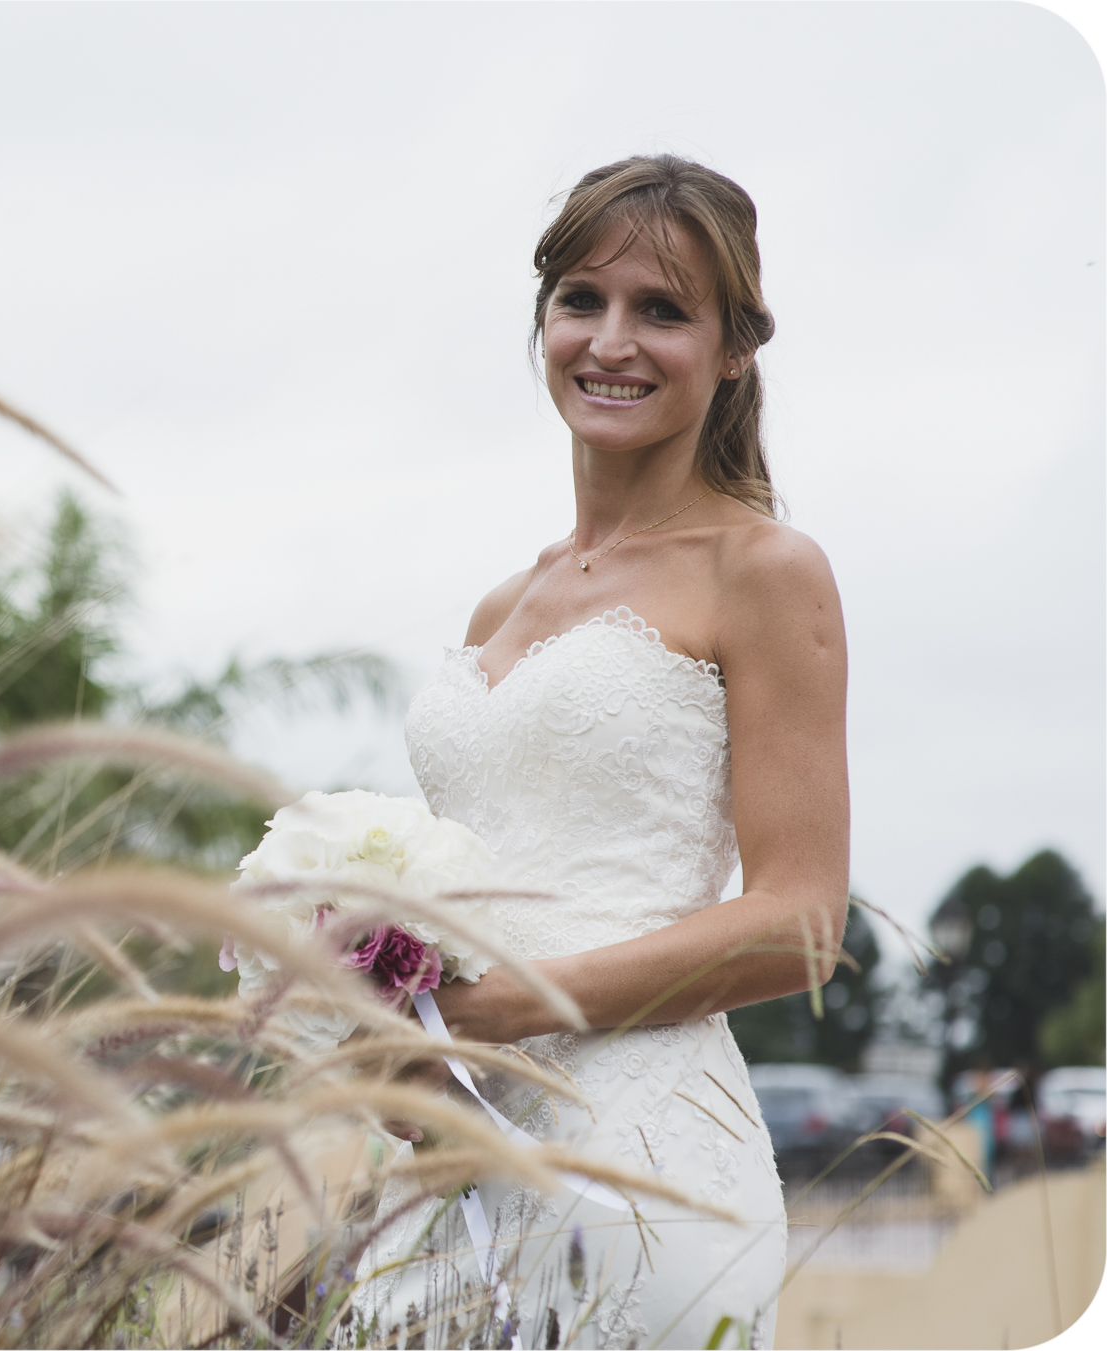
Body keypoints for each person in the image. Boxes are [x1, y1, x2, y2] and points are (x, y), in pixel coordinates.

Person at [356, 155, 849, 1349]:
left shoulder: (762, 573)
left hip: (643, 1154)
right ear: (542, 322)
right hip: (453, 1151)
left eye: (662, 310)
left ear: (733, 349)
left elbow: (797, 920)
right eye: (581, 300)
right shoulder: (496, 607)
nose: (610, 340)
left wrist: (498, 1012)